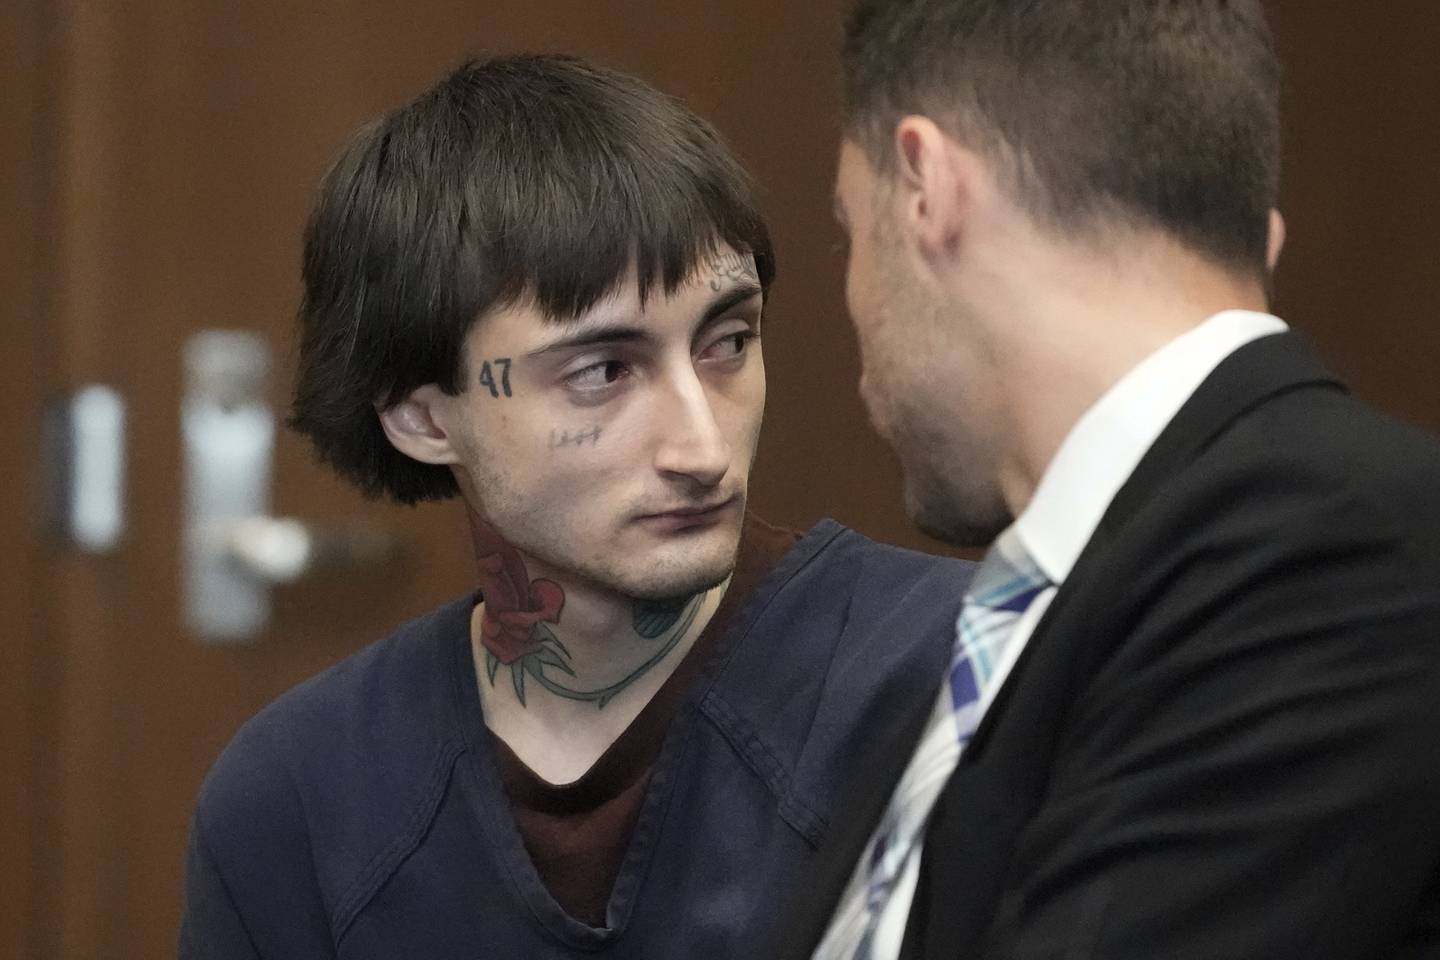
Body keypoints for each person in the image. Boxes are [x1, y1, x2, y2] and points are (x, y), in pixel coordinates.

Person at [177, 54, 974, 960]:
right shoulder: (302, 800)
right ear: (423, 416)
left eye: (728, 342)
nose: (703, 449)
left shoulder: (957, 674)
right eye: (603, 371)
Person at [785, 2, 1440, 958]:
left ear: (927, 187)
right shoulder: (1048, 604)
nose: (855, 302)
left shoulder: (1334, 539)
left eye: (851, 231)